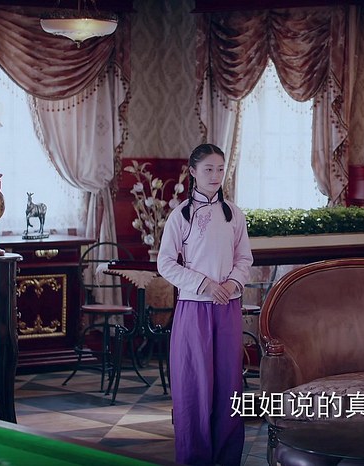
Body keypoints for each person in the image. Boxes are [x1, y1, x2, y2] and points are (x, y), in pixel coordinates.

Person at [157, 143, 253, 466]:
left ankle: (227, 458)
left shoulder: (234, 214)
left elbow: (244, 258)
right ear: (193, 172)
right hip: (194, 308)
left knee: (229, 385)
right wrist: (205, 285)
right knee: (194, 386)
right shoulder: (180, 215)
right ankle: (194, 458)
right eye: (208, 169)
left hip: (228, 307)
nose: (215, 175)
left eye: (220, 169)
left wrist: (231, 284)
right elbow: (165, 263)